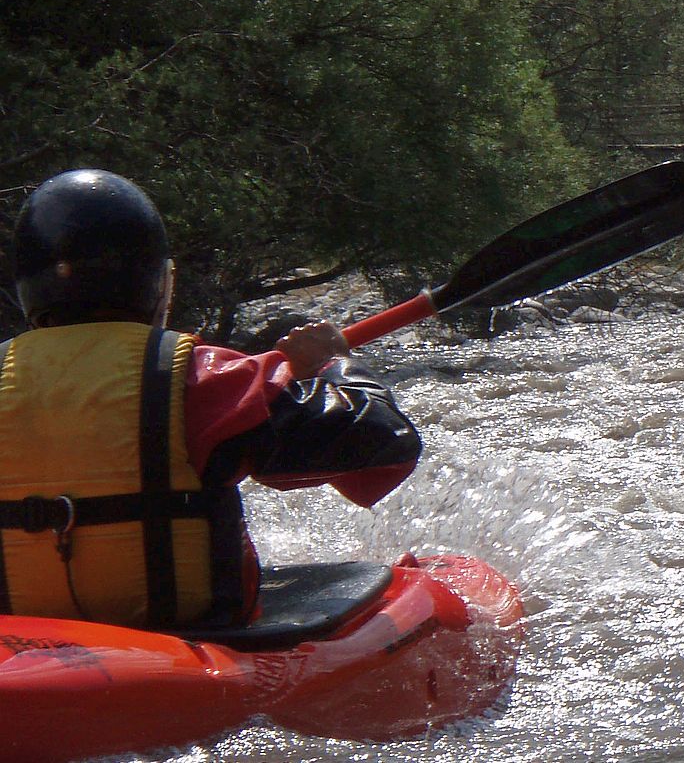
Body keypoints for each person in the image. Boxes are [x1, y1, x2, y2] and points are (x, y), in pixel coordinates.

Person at [0, 169, 421, 629]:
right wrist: (333, 365)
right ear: (157, 282)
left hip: (22, 652)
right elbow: (385, 443)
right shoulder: (203, 378)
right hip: (186, 643)